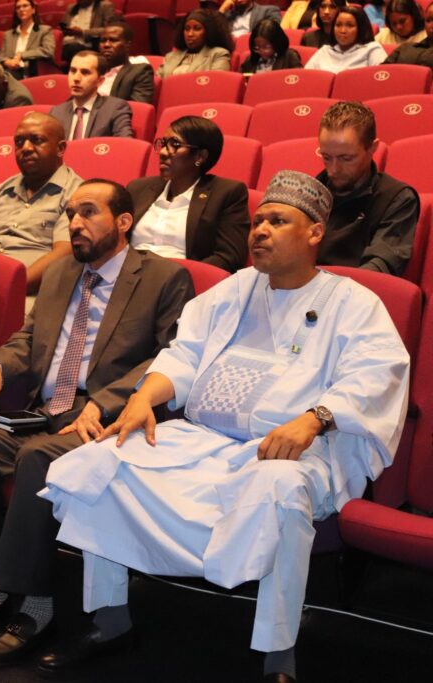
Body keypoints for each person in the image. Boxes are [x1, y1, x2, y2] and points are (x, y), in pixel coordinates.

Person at [38, 170, 410, 681]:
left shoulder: (353, 302)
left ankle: (278, 653)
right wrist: (145, 397)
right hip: (204, 438)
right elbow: (182, 353)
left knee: (281, 490)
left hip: (292, 449)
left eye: (278, 221)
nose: (259, 230)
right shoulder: (235, 289)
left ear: (315, 233)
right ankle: (109, 619)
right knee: (104, 460)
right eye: (258, 221)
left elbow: (376, 374)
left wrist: (314, 418)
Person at [0, 179, 194, 667]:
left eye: (88, 213)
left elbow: (171, 357)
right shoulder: (60, 275)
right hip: (42, 413)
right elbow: (28, 338)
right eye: (71, 213)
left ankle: (36, 606)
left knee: (37, 459)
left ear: (123, 221)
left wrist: (111, 401)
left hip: (105, 421)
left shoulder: (162, 278)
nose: (75, 223)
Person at [0, 113, 83, 299]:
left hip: (32, 293)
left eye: (37, 140)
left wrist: (9, 288)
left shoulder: (76, 194)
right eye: (19, 142)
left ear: (60, 148)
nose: (26, 148)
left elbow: (64, 254)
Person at [128, 116, 250, 272]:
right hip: (127, 275)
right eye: (163, 144)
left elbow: (229, 257)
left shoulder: (227, 193)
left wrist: (180, 276)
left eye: (175, 145)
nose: (164, 152)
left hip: (181, 283)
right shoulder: (139, 188)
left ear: (200, 156)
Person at [316, 101, 418, 276]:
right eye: (326, 157)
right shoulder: (309, 191)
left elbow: (379, 267)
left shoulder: (397, 198)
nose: (333, 169)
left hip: (356, 295)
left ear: (372, 148)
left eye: (346, 158)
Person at [50, 51, 134, 139]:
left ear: (100, 81)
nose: (76, 78)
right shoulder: (56, 112)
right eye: (73, 71)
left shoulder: (115, 109)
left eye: (85, 72)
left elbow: (125, 145)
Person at [306, 6, 386, 71]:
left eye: (350, 25)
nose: (343, 31)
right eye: (338, 25)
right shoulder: (325, 51)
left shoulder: (372, 49)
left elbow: (380, 81)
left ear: (361, 28)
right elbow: (307, 77)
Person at [158, 10, 233, 77]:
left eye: (197, 29)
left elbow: (215, 84)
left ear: (208, 32)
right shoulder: (171, 56)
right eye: (187, 29)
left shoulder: (218, 54)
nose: (190, 34)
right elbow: (157, 82)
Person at [97, 19, 154, 103]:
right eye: (103, 41)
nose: (106, 45)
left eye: (113, 40)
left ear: (127, 45)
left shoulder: (140, 72)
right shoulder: (93, 70)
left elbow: (137, 109)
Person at [0, 0, 57, 79]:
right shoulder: (8, 34)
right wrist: (8, 62)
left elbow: (48, 50)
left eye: (25, 6)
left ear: (33, 10)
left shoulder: (44, 30)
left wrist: (22, 55)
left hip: (32, 71)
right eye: (18, 7)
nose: (21, 9)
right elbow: (2, 57)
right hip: (11, 71)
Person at [384, 0, 433, 66]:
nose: (431, 25)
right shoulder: (404, 48)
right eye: (428, 20)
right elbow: (383, 71)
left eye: (402, 21)